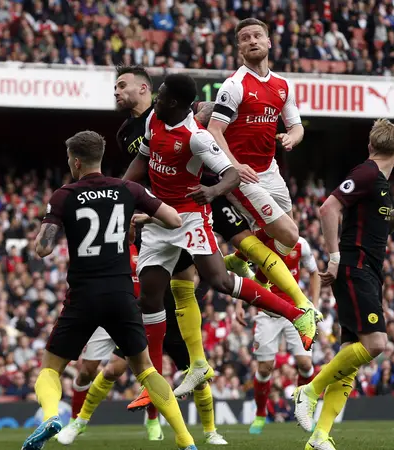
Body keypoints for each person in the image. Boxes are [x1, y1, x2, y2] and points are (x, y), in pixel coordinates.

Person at [122, 73, 318, 399]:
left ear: (174, 102)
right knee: (149, 298)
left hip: (190, 217)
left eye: (162, 95)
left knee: (220, 281)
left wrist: (211, 191)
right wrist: (120, 194)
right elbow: (140, 162)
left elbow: (230, 174)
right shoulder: (154, 120)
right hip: (158, 217)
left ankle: (297, 314)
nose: (156, 99)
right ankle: (151, 384)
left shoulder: (196, 137)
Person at [62, 82, 229, 445]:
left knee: (191, 368)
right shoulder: (136, 140)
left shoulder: (175, 214)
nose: (118, 92)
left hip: (169, 309)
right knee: (110, 368)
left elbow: (195, 270)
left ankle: (210, 430)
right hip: (132, 305)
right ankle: (83, 421)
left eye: (123, 86)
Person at [21, 130, 198, 450]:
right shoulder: (128, 188)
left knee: (51, 368)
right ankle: (186, 441)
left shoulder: (64, 194)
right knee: (145, 369)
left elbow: (42, 249)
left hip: (83, 296)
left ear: (76, 162)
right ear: (98, 158)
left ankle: (50, 416)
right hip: (121, 294)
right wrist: (138, 217)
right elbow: (173, 219)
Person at [293, 119, 394, 450]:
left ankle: (319, 437)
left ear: (371, 145)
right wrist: (335, 257)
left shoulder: (379, 182)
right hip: (355, 267)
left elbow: (385, 227)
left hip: (368, 270)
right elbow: (328, 208)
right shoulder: (366, 174)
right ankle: (308, 391)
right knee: (376, 345)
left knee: (351, 356)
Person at [207, 18, 318, 317]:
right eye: (245, 38)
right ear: (239, 47)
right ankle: (258, 281)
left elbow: (296, 126)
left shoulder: (282, 85)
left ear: (269, 42)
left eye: (257, 36)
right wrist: (235, 166)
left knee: (286, 240)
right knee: (291, 235)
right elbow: (215, 131)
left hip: (269, 169)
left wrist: (291, 138)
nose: (252, 41)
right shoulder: (234, 85)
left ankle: (243, 258)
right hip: (241, 174)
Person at [242, 236, 320, 435]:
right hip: (266, 311)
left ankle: (303, 410)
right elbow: (242, 273)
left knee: (305, 364)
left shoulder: (301, 244)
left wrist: (314, 303)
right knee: (265, 368)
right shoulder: (259, 241)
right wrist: (238, 305)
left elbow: (314, 273)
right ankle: (260, 415)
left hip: (295, 311)